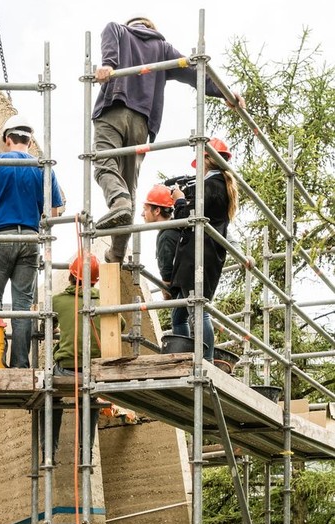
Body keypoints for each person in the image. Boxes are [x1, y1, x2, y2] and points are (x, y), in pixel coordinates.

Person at [92, 16, 245, 264]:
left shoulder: (118, 30)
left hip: (114, 109)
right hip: (142, 124)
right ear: (152, 29)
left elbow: (109, 33)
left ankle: (117, 201)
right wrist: (225, 92)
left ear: (132, 24)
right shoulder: (161, 48)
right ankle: (117, 253)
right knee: (129, 185)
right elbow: (194, 73)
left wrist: (108, 65)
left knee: (104, 165)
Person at [0, 114, 63, 368]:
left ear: (7, 139)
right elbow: (54, 211)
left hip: (0, 237)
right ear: (30, 143)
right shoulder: (43, 167)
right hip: (31, 239)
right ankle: (21, 364)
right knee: (22, 306)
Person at [44, 255, 124, 463]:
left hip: (67, 369)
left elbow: (46, 325)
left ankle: (48, 454)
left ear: (71, 275)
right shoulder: (105, 300)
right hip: (96, 371)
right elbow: (120, 325)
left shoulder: (58, 300)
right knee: (89, 399)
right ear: (95, 281)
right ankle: (85, 453)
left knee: (51, 397)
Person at [170, 137, 239, 362]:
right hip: (201, 255)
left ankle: (205, 360)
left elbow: (186, 219)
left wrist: (180, 201)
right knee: (180, 314)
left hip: (198, 256)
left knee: (198, 311)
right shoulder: (219, 186)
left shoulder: (210, 186)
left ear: (208, 159)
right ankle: (187, 356)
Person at [140, 184, 188, 334]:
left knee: (179, 320)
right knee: (188, 316)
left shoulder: (166, 235)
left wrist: (166, 290)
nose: (142, 214)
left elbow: (167, 269)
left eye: (146, 209)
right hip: (188, 281)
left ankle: (185, 352)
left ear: (157, 210)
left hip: (183, 284)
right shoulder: (175, 228)